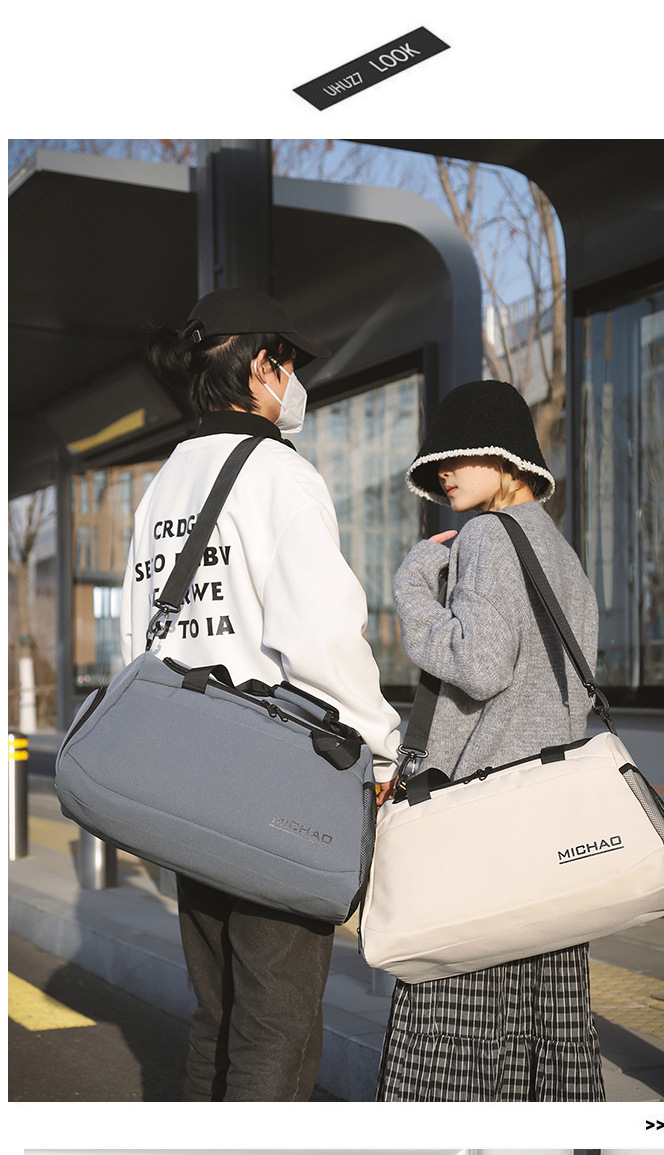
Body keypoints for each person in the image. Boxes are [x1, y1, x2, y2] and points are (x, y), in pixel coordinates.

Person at [120, 286, 402, 1101]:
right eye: (289, 364)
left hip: (185, 780)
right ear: (260, 367)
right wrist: (382, 746)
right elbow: (322, 638)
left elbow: (141, 643)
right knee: (276, 1023)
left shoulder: (163, 484)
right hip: (275, 785)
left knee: (216, 1013)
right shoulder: (280, 474)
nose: (295, 382)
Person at [375, 380, 605, 1102]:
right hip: (550, 830)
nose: (445, 472)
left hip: (479, 825)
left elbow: (478, 665)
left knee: (456, 1035)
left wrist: (415, 584)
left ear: (505, 458)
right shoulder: (561, 554)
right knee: (543, 1026)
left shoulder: (484, 537)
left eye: (459, 455)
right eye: (437, 462)